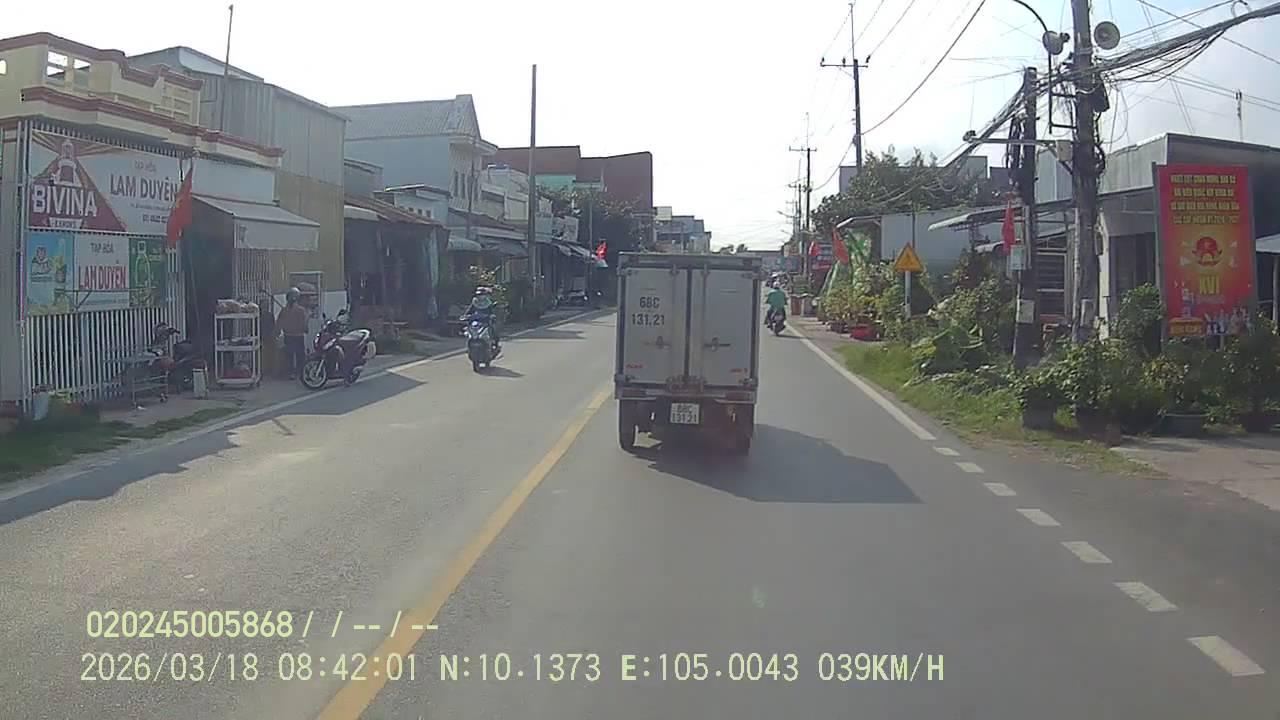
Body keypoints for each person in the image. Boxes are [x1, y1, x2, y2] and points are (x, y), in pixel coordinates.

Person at [277, 287, 310, 379]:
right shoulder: (301, 310)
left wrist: (277, 332)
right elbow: (305, 324)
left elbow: (279, 323)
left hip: (288, 336)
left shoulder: (284, 310)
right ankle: (300, 372)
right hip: (299, 336)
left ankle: (291, 373)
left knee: (289, 355)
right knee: (300, 355)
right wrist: (305, 329)